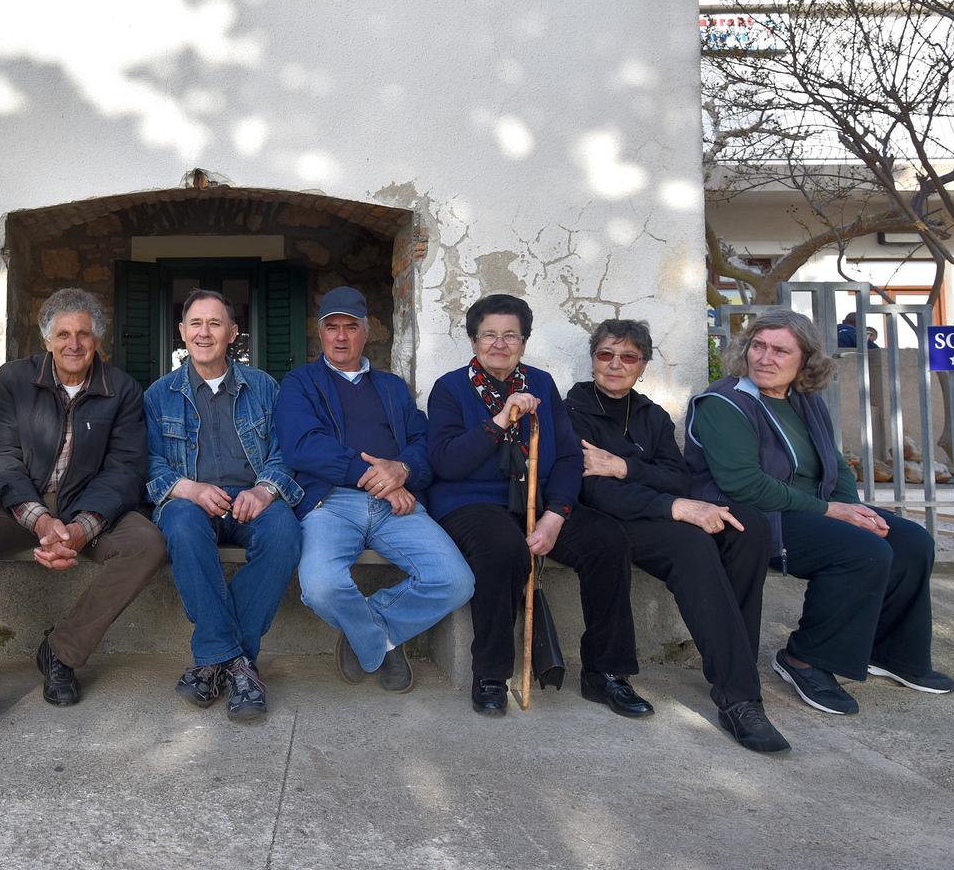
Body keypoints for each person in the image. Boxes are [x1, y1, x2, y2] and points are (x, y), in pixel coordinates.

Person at [686, 309, 954, 714]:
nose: (765, 358)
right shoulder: (724, 402)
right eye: (758, 346)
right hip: (758, 518)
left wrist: (854, 508)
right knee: (862, 552)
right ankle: (804, 658)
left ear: (805, 361)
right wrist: (831, 511)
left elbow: (835, 463)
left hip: (810, 510)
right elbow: (744, 484)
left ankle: (891, 653)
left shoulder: (804, 401)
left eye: (780, 350)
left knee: (911, 541)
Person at [0, 288, 162, 745]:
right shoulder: (15, 380)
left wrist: (81, 528)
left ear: (98, 339)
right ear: (46, 338)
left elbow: (124, 471)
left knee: (146, 543)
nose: (73, 344)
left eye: (83, 334)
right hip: (18, 505)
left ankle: (61, 652)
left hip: (86, 509)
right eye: (63, 334)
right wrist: (38, 519)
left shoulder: (123, 390)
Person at [565, 318, 788, 753]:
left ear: (643, 365)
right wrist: (670, 504)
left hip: (653, 512)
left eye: (628, 357)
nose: (615, 365)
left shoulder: (650, 415)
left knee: (747, 525)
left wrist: (626, 466)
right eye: (605, 355)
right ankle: (739, 697)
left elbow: (678, 478)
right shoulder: (571, 412)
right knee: (692, 544)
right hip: (607, 521)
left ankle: (732, 660)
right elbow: (594, 489)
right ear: (592, 360)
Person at [426, 293, 648, 718]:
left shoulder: (541, 384)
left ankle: (606, 672)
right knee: (503, 550)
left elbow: (567, 456)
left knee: (606, 540)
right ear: (473, 341)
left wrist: (555, 514)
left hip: (538, 501)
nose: (500, 343)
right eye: (489, 334)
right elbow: (446, 462)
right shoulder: (450, 389)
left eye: (511, 335)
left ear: (524, 342)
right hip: (472, 502)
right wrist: (499, 421)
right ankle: (490, 674)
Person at [277, 287, 473, 694]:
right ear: (320, 334)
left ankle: (369, 631)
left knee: (455, 581)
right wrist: (379, 478)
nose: (342, 337)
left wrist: (402, 469)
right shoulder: (300, 383)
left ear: (366, 333)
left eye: (351, 327)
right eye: (332, 328)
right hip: (330, 502)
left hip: (396, 504)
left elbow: (424, 441)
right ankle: (383, 644)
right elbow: (302, 445)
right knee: (321, 586)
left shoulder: (392, 387)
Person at [144, 290, 303, 722]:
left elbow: (283, 451)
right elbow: (151, 462)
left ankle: (215, 663)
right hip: (193, 504)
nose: (204, 332)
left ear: (233, 333)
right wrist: (190, 490)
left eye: (215, 324)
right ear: (181, 332)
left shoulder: (264, 386)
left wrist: (265, 490)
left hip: (251, 500)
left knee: (285, 532)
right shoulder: (159, 395)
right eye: (195, 323)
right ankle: (239, 665)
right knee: (179, 523)